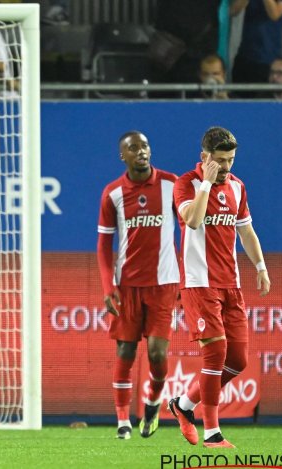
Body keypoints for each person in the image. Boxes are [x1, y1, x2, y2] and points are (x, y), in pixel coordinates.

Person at [169, 126, 270, 449]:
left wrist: (261, 266)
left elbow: (247, 232)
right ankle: (212, 431)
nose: (226, 166)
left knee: (237, 360)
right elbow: (195, 221)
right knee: (214, 354)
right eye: (220, 160)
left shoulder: (238, 187)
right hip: (199, 284)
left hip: (231, 284)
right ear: (205, 157)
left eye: (231, 160)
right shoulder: (187, 184)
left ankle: (183, 405)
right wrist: (207, 185)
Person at [97, 131, 179, 440]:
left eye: (144, 145)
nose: (141, 151)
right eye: (133, 148)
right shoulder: (113, 193)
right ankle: (122, 420)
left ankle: (153, 402)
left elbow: (188, 230)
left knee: (157, 353)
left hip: (163, 284)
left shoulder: (172, 185)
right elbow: (104, 245)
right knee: (125, 351)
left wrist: (185, 274)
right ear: (123, 156)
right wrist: (108, 287)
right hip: (128, 286)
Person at [232, 0, 282, 89]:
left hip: (268, 58)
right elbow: (233, 10)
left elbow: (274, 14)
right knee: (239, 98)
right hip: (245, 55)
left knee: (265, 99)